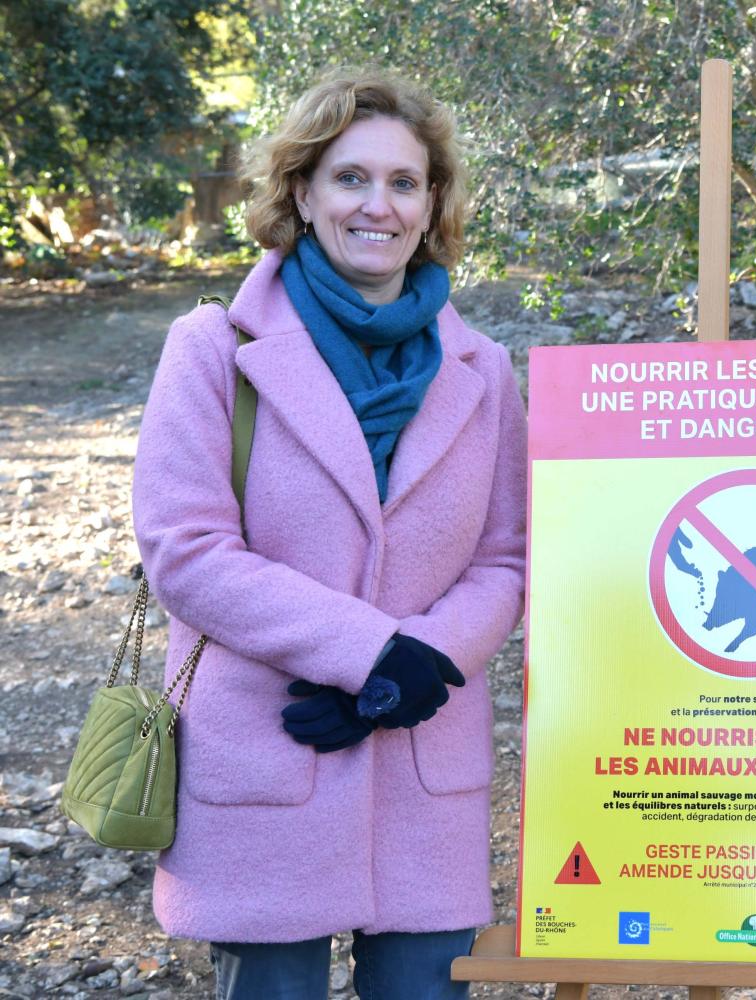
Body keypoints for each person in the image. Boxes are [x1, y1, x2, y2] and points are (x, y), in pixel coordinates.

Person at [132, 69, 526, 999]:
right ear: (302, 193)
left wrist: (416, 666)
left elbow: (505, 558)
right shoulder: (214, 348)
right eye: (350, 178)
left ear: (433, 204)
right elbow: (184, 551)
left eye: (403, 182)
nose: (377, 206)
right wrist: (369, 653)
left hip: (425, 771)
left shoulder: (486, 369)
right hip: (266, 757)